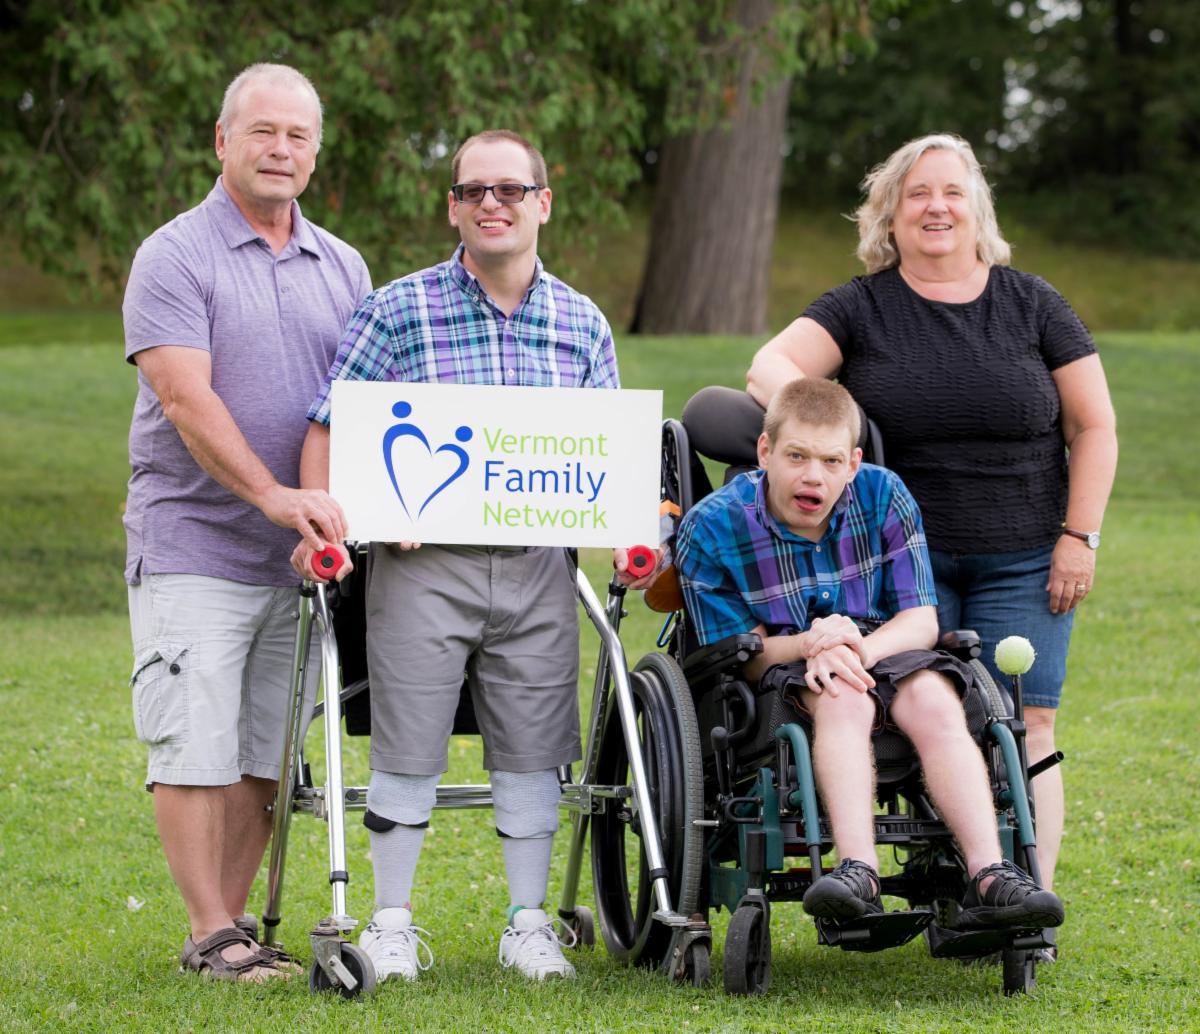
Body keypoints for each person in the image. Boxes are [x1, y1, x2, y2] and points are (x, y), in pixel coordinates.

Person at [294, 129, 639, 983]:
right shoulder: (398, 308)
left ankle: (528, 924)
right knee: (407, 742)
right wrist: (331, 524)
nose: (492, 203)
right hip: (423, 564)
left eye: (510, 189)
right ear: (453, 207)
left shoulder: (581, 322)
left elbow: (606, 456)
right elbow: (330, 424)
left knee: (533, 744)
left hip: (537, 565)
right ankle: (390, 923)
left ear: (542, 203)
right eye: (473, 190)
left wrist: (630, 533)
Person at [744, 134, 1118, 907]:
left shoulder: (1034, 304)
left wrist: (1079, 537)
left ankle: (1026, 904)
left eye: (952, 192)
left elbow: (1095, 426)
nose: (936, 207)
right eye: (917, 194)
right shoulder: (860, 307)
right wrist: (831, 423)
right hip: (900, 565)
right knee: (918, 716)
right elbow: (767, 369)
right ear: (890, 215)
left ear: (977, 208)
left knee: (1026, 723)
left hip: (1027, 558)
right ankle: (949, 885)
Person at [122, 63, 371, 982]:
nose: (280, 149)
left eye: (298, 135)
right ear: (223, 141)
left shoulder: (343, 265)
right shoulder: (174, 255)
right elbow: (184, 399)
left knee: (266, 750)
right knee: (194, 742)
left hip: (299, 561)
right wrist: (273, 496)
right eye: (262, 131)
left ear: (316, 153)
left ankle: (227, 931)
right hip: (193, 544)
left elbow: (359, 407)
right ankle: (209, 930)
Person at [675, 377, 1065, 931]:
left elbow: (921, 620)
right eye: (796, 456)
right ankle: (859, 870)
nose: (814, 476)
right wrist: (812, 645)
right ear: (765, 452)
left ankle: (990, 874)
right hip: (784, 666)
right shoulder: (711, 526)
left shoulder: (884, 494)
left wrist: (855, 647)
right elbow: (746, 652)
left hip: (886, 646)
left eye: (832, 461)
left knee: (935, 697)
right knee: (843, 697)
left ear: (853, 463)